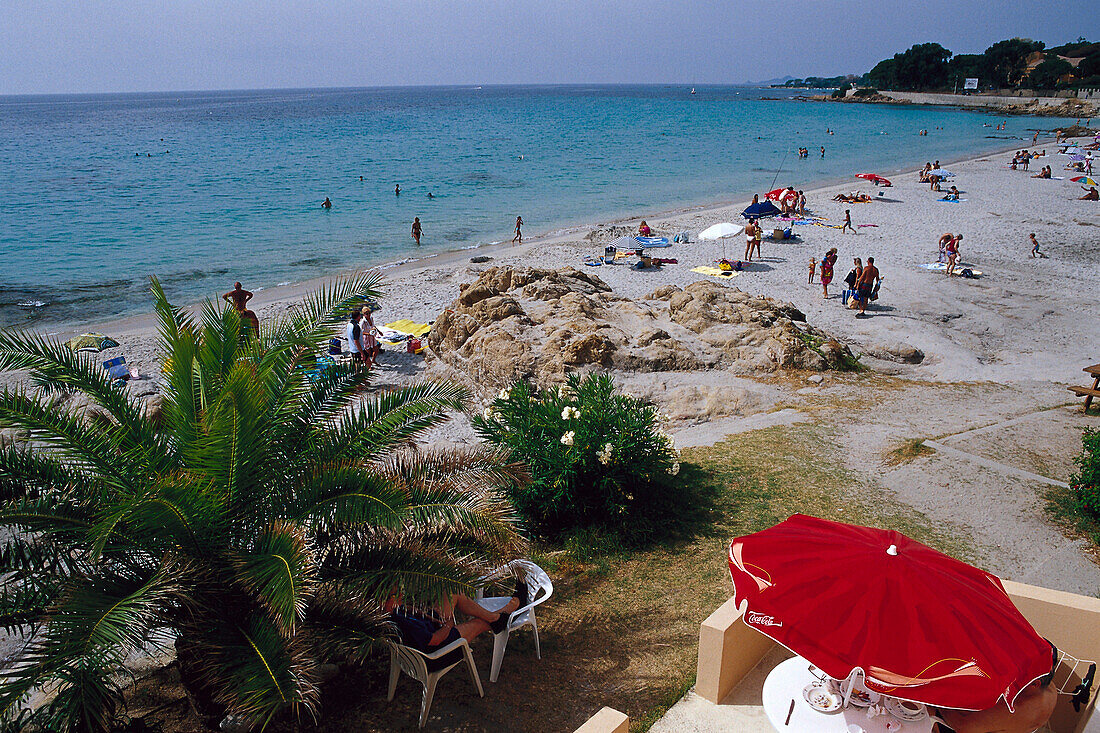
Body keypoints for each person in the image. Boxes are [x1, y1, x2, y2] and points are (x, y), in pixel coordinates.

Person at [385, 578, 529, 657]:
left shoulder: (389, 611)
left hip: (429, 628)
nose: (401, 595)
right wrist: (448, 624)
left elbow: (407, 609)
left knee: (452, 592)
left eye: (400, 592)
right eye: (395, 594)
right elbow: (434, 641)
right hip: (437, 651)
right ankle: (507, 612)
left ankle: (497, 616)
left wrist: (429, 615)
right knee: (477, 623)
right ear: (383, 599)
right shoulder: (404, 623)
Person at [933, 676, 1057, 733]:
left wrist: (935, 700)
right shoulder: (1050, 688)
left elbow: (962, 726)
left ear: (1034, 684)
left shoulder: (1016, 706)